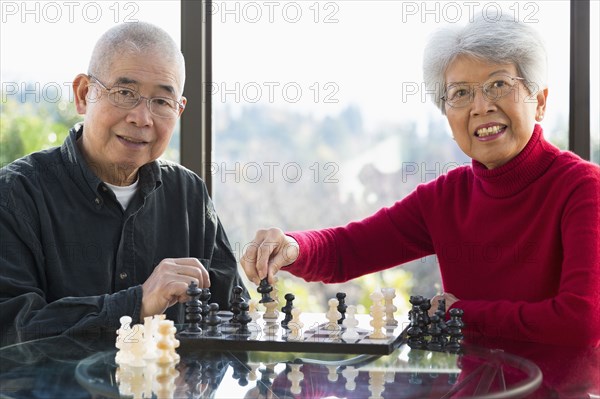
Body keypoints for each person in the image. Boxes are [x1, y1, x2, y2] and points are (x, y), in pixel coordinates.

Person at [241, 15, 600, 348]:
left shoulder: (583, 188)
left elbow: (581, 322)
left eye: (498, 85)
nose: (480, 106)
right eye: (460, 93)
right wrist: (292, 247)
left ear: (539, 102)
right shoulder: (445, 198)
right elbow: (347, 250)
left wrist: (458, 314)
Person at [0, 22, 247, 346]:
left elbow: (233, 317)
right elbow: (12, 331)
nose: (142, 118)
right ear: (83, 94)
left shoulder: (189, 196)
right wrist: (137, 304)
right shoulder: (17, 194)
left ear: (179, 110)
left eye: (161, 101)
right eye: (125, 93)